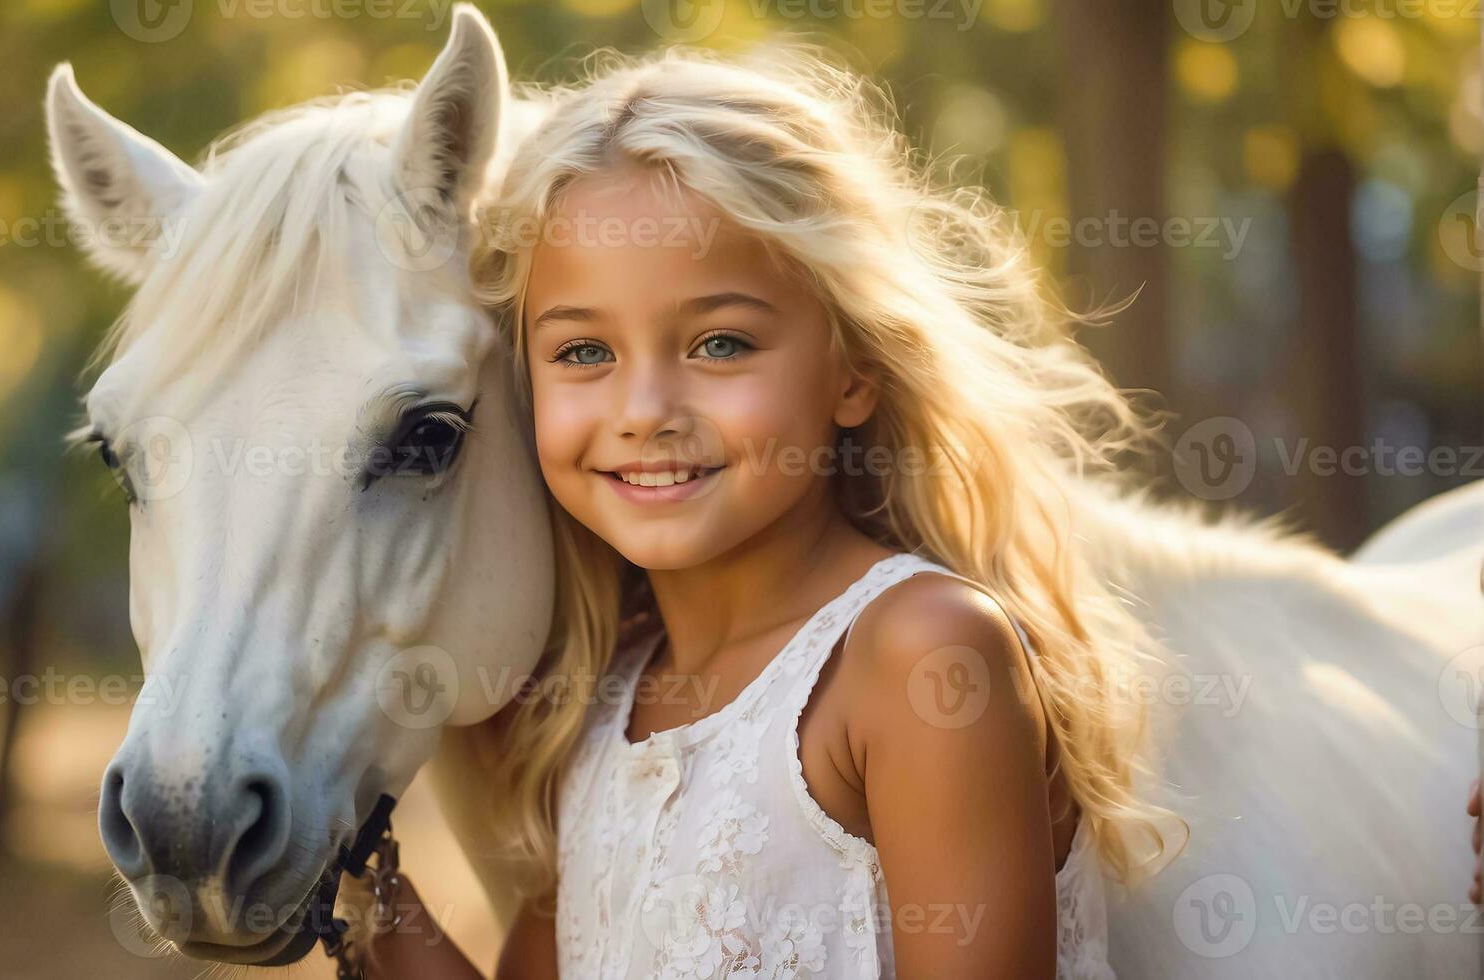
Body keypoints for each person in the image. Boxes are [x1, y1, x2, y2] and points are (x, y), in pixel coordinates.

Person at [353, 41, 1183, 979]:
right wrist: (368, 896)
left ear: (854, 371)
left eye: (718, 343)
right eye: (584, 353)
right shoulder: (604, 704)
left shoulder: (920, 656)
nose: (643, 413)